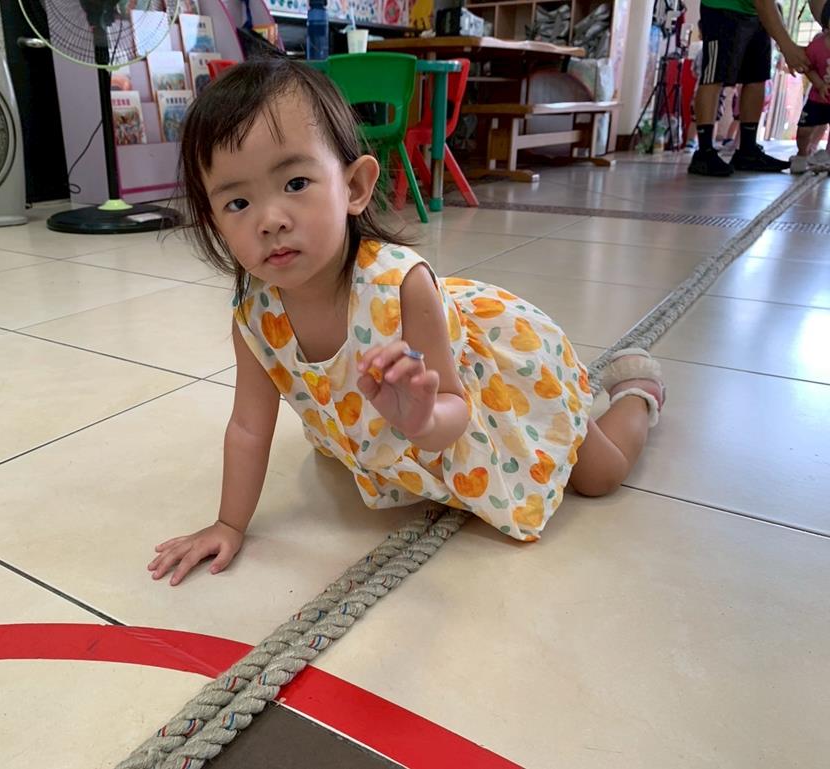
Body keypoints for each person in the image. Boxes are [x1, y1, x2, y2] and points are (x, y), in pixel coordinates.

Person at [148, 60, 667, 586]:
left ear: (355, 186)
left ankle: (637, 392)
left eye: (296, 182)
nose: (270, 220)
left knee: (601, 475)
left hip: (493, 391)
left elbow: (455, 409)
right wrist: (229, 524)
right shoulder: (255, 315)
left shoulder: (401, 286)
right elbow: (247, 427)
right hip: (405, 421)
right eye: (238, 202)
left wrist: (422, 419)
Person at [690, 0, 811, 176]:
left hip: (757, 14)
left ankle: (747, 150)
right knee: (713, 76)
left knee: (757, 76)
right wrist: (787, 46)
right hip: (723, 7)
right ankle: (704, 152)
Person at [793, 0, 830, 165]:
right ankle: (802, 155)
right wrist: (819, 85)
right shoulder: (817, 46)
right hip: (817, 99)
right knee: (804, 130)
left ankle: (827, 156)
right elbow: (808, 67)